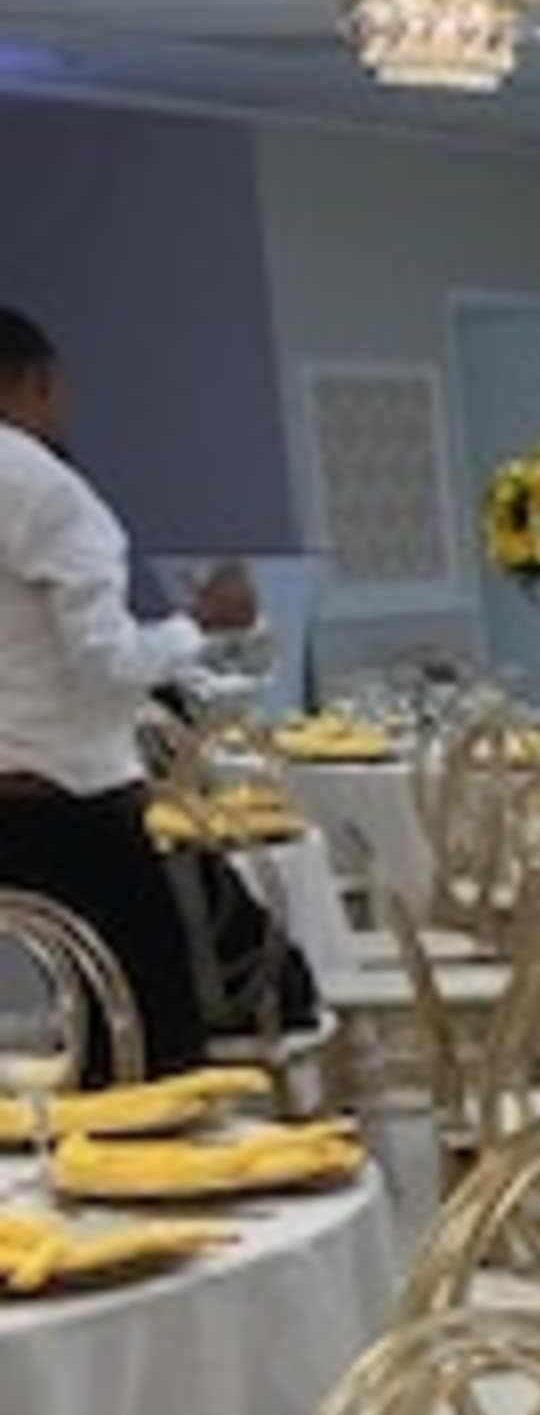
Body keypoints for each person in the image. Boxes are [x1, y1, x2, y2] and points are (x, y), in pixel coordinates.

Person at [0, 303, 255, 1076]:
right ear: (33, 384)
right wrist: (199, 623)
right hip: (71, 814)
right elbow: (106, 663)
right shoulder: (46, 491)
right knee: (144, 1048)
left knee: (29, 1064)